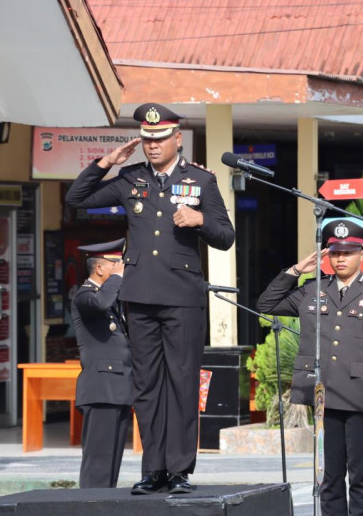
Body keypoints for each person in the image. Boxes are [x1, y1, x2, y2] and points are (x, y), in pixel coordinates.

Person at [65, 103, 236, 495]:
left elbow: (226, 237)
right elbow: (77, 197)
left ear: (178, 139)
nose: (152, 145)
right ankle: (154, 469)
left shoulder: (201, 181)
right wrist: (108, 161)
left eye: (159, 139)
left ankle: (179, 470)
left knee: (181, 382)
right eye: (146, 139)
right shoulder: (129, 179)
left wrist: (200, 221)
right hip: (139, 295)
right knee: (146, 386)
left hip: (181, 296)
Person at [257, 218, 363, 515]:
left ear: (361, 254)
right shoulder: (312, 290)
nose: (341, 259)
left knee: (361, 477)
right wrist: (296, 270)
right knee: (329, 478)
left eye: (347, 253)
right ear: (327, 256)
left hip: (361, 398)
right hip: (324, 399)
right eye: (335, 253)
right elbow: (266, 304)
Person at [71, 239, 132, 488]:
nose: (120, 268)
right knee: (98, 462)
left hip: (119, 387)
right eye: (115, 264)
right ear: (99, 269)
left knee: (112, 463)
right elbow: (100, 304)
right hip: (101, 389)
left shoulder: (112, 299)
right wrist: (117, 279)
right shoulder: (85, 296)